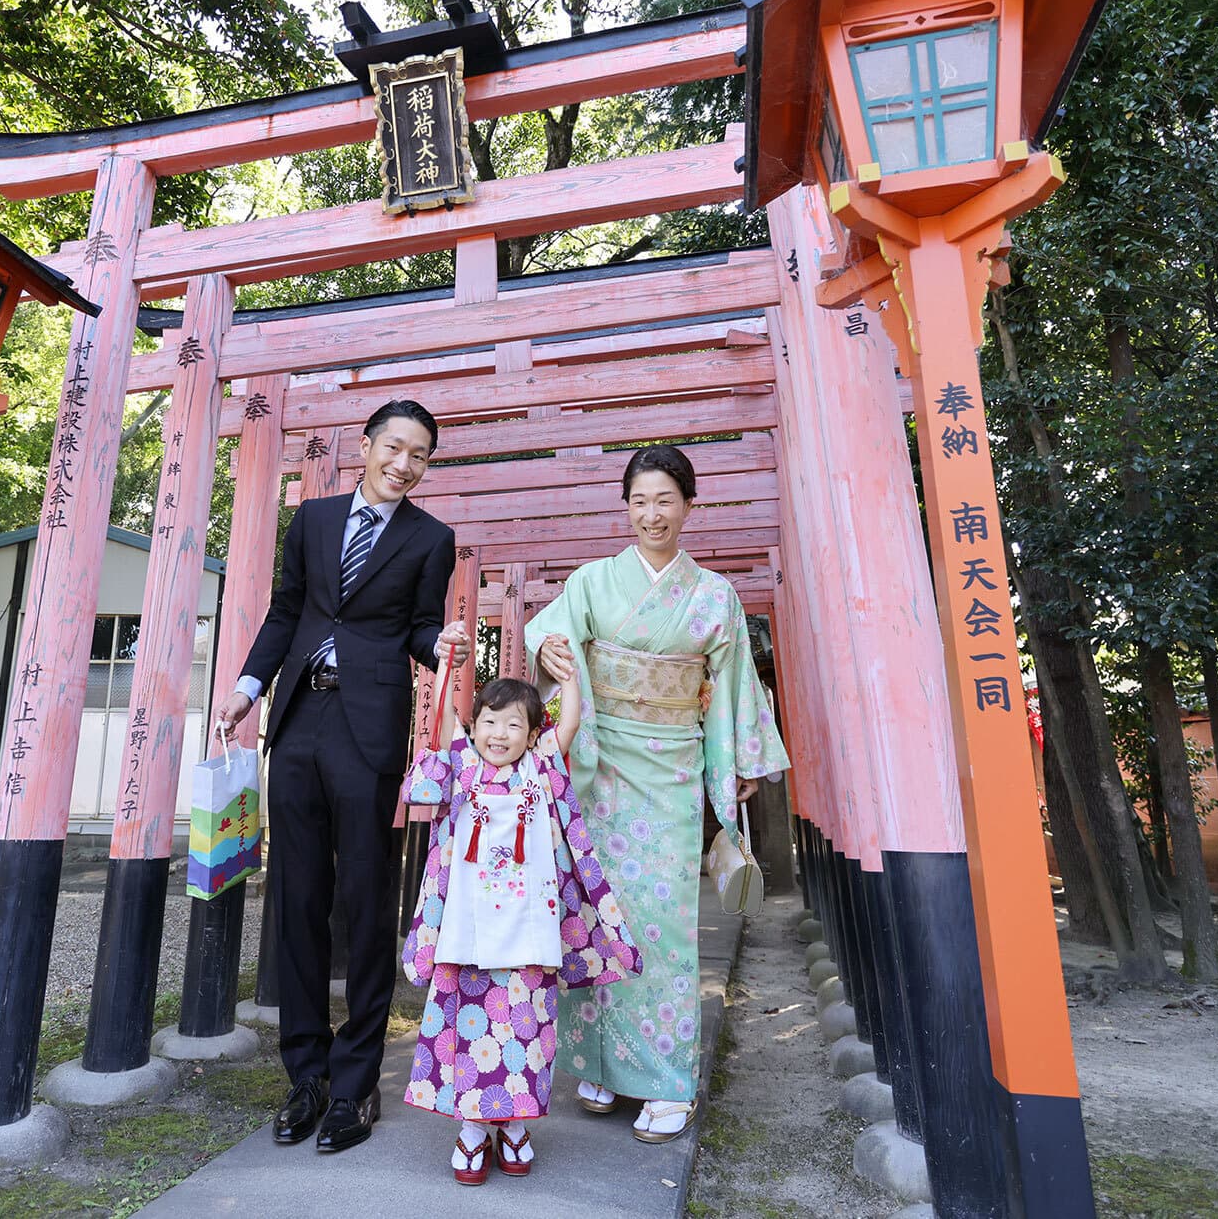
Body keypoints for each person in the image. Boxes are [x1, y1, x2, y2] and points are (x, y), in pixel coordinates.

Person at [213, 400, 466, 1155]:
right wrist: (247, 689)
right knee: (295, 900)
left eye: (420, 454)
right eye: (394, 447)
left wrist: (446, 640)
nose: (404, 463)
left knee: (364, 901)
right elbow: (286, 611)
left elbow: (419, 628)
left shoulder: (432, 538)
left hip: (368, 734)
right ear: (365, 446)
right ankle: (307, 1078)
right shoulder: (315, 520)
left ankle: (355, 1088)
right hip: (296, 723)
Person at [526, 444, 789, 1143]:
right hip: (600, 761)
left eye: (664, 500)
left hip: (671, 767)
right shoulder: (593, 581)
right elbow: (549, 632)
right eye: (639, 500)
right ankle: (602, 1063)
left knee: (664, 924)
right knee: (593, 909)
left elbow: (731, 687)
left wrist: (737, 764)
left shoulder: (713, 596)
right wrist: (552, 649)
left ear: (688, 505)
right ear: (627, 506)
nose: (651, 514)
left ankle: (667, 1078)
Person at [399, 660, 640, 1185]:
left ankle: (512, 1127)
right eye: (488, 720)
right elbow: (443, 723)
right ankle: (469, 1130)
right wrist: (446, 667)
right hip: (466, 933)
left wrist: (571, 677)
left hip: (530, 934)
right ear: (475, 725)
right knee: (466, 1030)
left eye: (514, 724)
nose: (499, 733)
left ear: (534, 734)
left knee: (524, 1032)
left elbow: (570, 720)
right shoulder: (462, 765)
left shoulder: (541, 767)